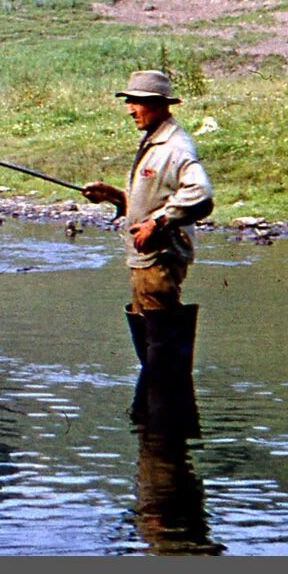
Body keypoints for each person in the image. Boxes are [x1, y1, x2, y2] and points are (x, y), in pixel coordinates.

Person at [82, 70, 213, 374]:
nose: (130, 109)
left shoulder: (175, 148)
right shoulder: (154, 142)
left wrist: (156, 224)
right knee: (154, 348)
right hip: (146, 262)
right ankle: (157, 412)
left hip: (160, 261)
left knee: (164, 354)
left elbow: (201, 195)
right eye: (129, 101)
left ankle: (167, 409)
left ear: (159, 104)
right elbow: (155, 198)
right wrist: (114, 196)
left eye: (137, 102)